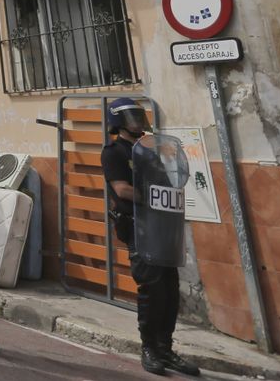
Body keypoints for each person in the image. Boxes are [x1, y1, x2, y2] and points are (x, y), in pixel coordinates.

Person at [102, 97, 200, 377]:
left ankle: (165, 349)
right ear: (118, 122)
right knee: (151, 289)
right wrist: (154, 198)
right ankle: (150, 349)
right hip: (138, 228)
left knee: (169, 290)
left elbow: (171, 179)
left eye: (139, 116)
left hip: (163, 227)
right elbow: (121, 190)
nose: (138, 122)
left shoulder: (150, 148)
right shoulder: (114, 152)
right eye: (131, 117)